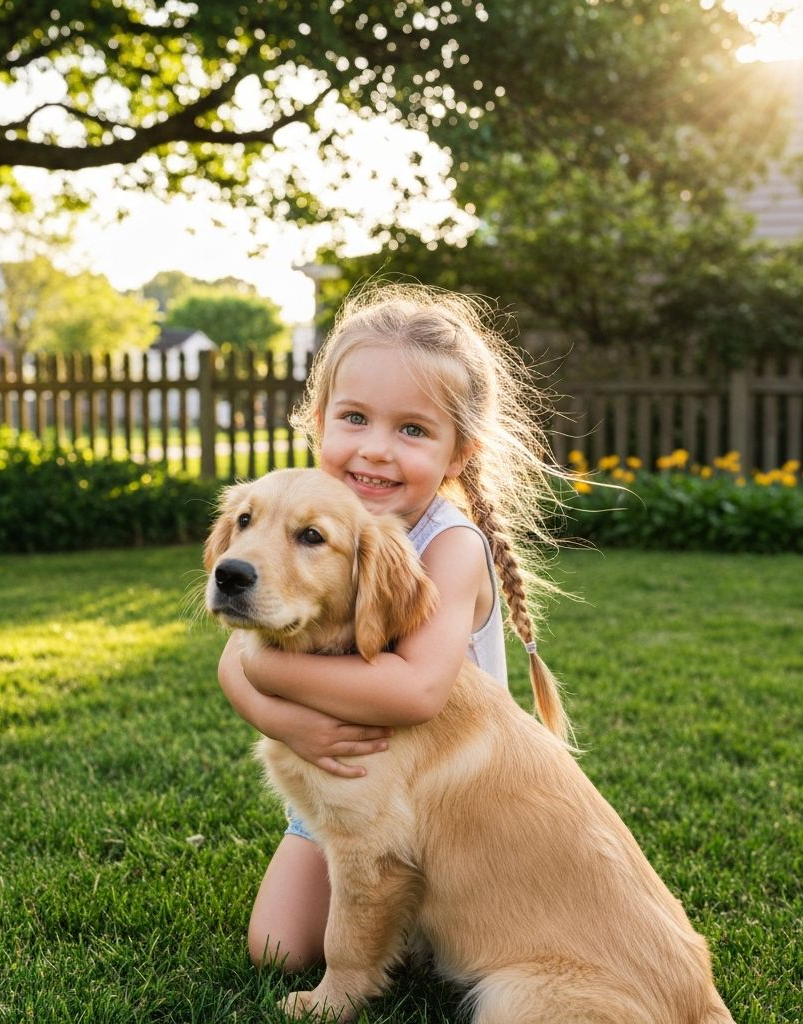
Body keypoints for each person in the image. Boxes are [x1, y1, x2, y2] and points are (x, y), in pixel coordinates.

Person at [217, 283, 571, 971]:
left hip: (449, 811)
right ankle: (392, 916)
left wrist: (266, 669)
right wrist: (290, 724)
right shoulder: (299, 517)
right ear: (318, 422)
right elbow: (236, 659)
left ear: (459, 453)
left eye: (411, 430)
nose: (376, 450)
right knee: (278, 950)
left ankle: (413, 917)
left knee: (430, 934)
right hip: (342, 781)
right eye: (354, 417)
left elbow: (414, 693)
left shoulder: (451, 545)